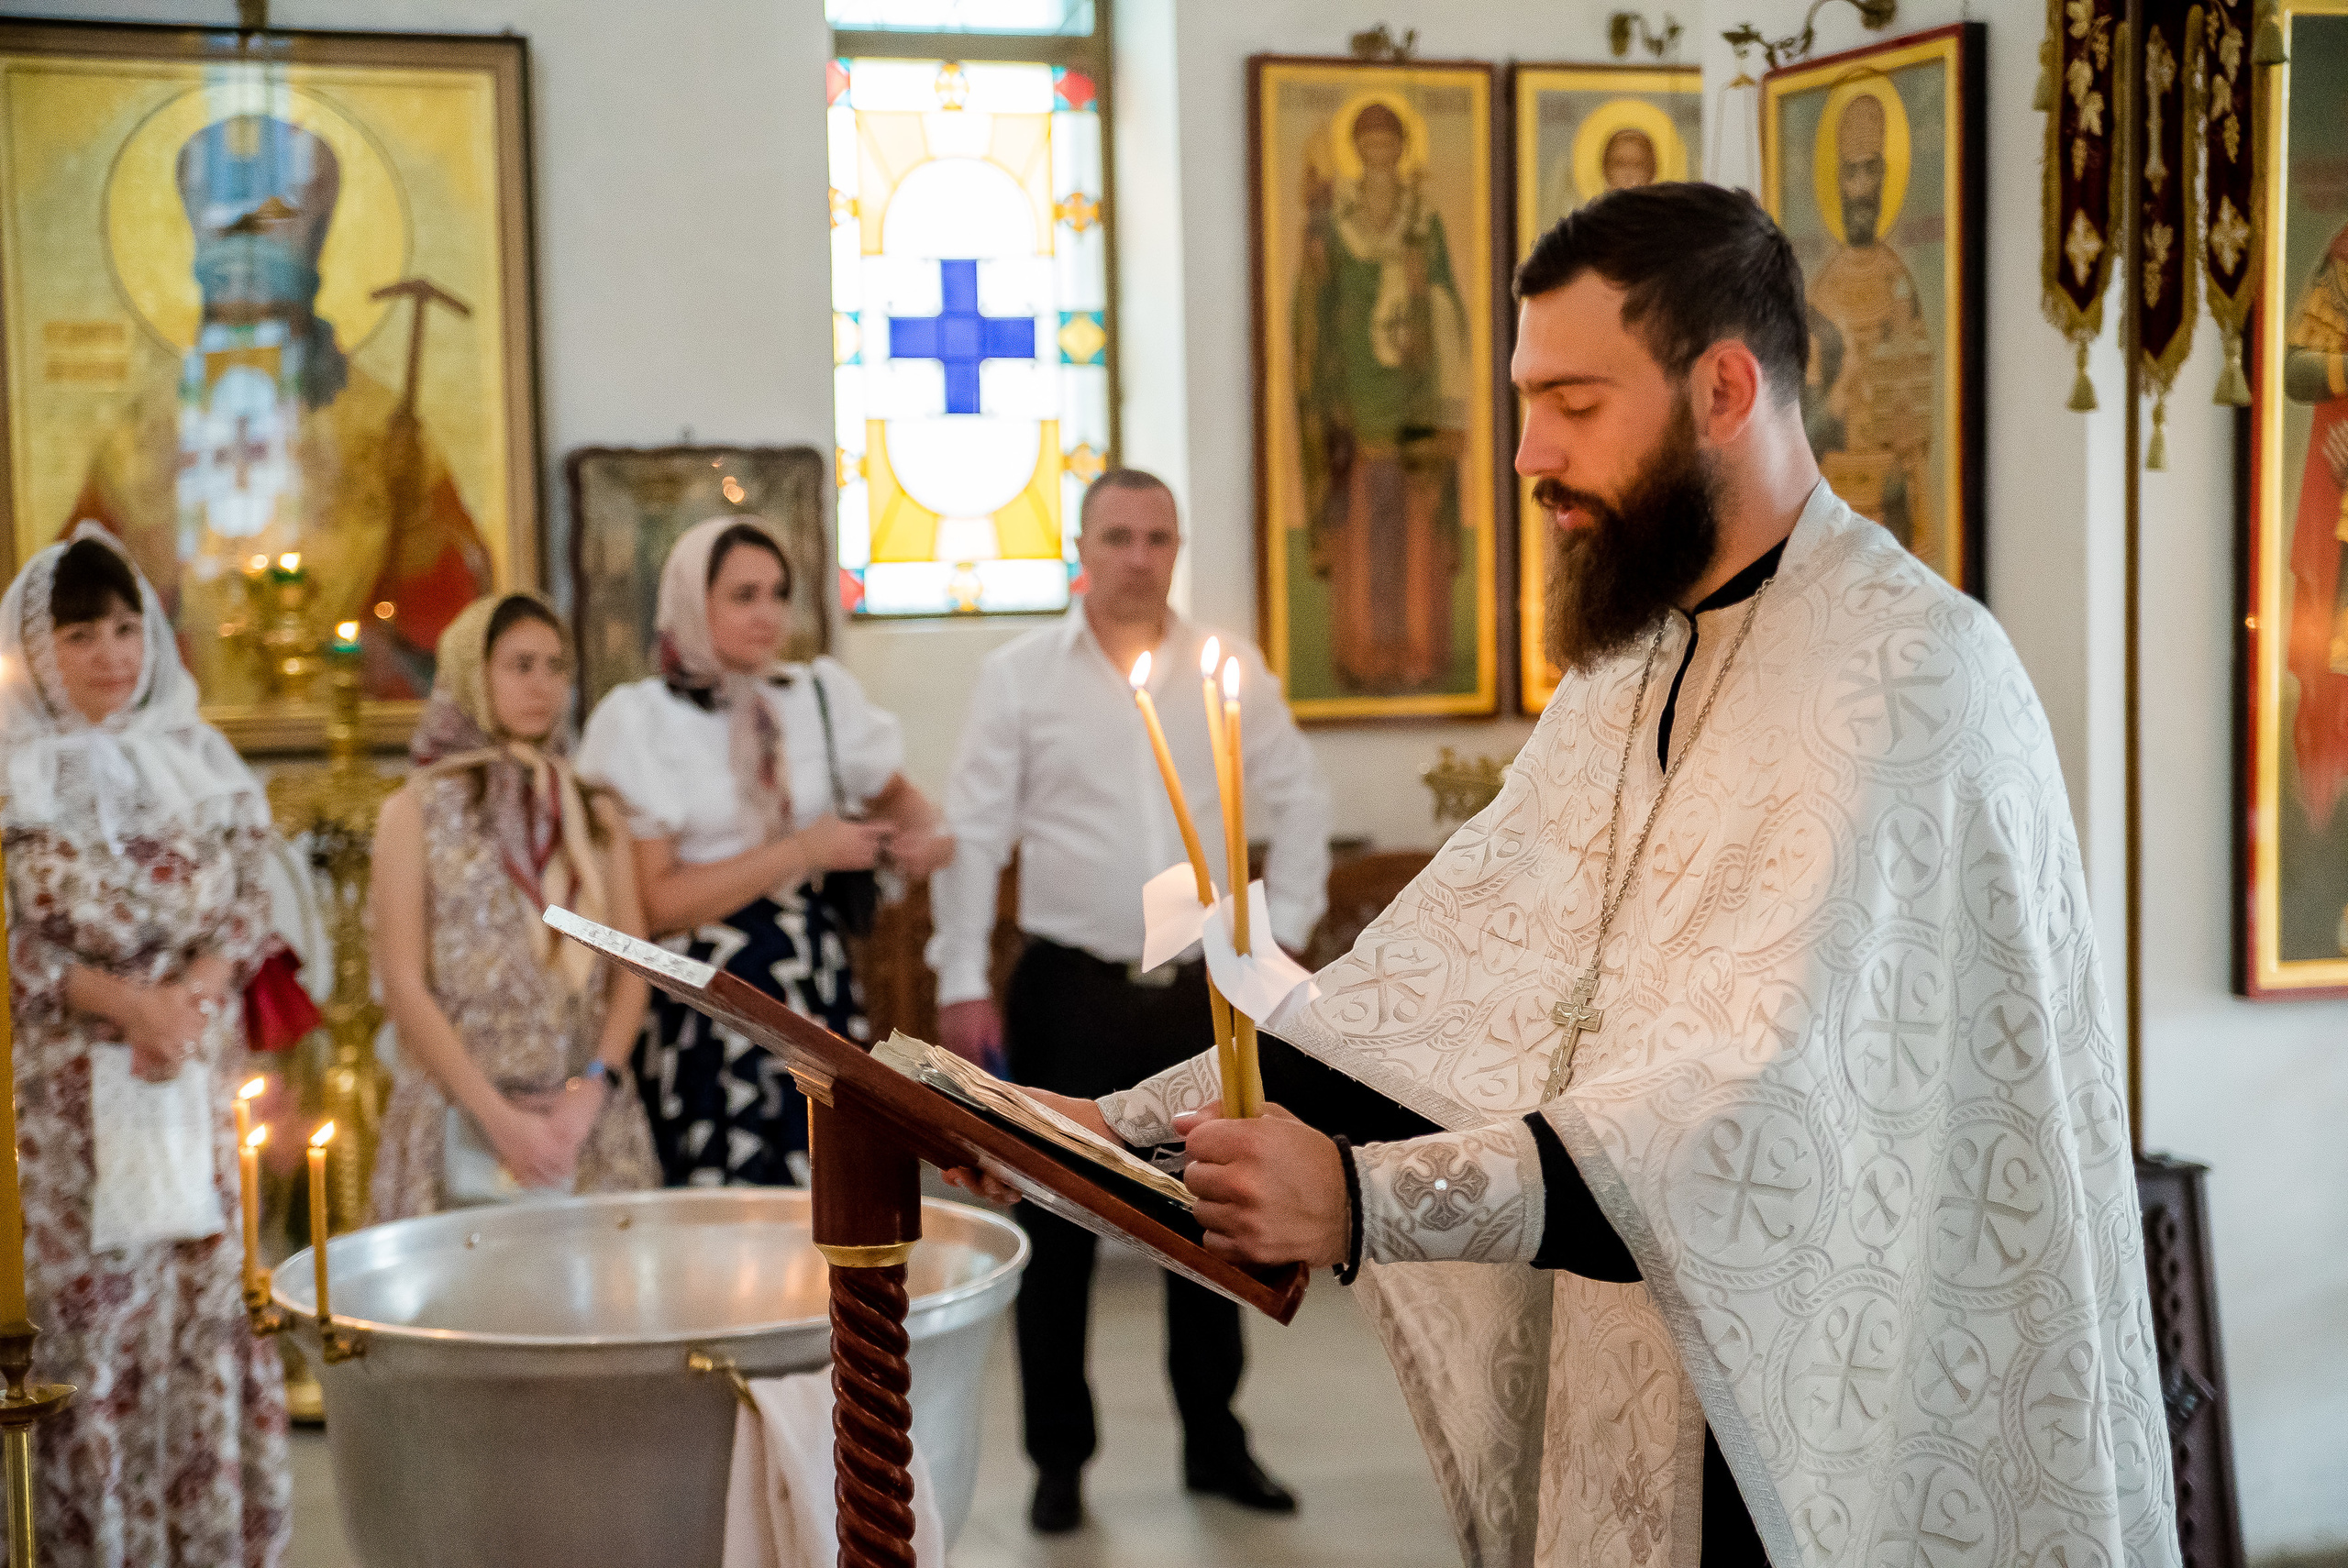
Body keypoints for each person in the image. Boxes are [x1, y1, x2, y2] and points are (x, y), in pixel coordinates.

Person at [952, 186, 2176, 1567]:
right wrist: (1108, 1134)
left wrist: (1357, 1200)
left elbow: (1748, 1130)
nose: (1529, 452)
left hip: (1829, 1423)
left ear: (1723, 391)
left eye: (1573, 403)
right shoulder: (1633, 659)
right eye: (1525, 400)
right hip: (1639, 1351)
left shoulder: (1902, 674)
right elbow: (1441, 988)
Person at [929, 468, 1331, 1533]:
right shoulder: (1020, 677)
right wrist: (959, 975)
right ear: (1082, 547)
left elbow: (1298, 798)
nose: (1139, 558)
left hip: (1202, 991)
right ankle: (1059, 1460)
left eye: (1158, 538)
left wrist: (1277, 934)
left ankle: (1215, 1441)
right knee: (1056, 1223)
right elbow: (975, 831)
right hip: (1070, 985)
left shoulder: (1226, 668)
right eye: (1118, 536)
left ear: (1176, 549)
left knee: (1213, 1213)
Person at [0, 527, 290, 1565]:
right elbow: (8, 939)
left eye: (127, 628)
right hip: (62, 1106)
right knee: (89, 1332)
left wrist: (190, 998)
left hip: (193, 1082)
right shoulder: (10, 773)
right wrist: (125, 1004)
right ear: (35, 648)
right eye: (81, 634)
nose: (112, 654)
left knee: (203, 1313)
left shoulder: (196, 757)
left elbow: (256, 899)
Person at [578, 516, 950, 1187]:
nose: (768, 614)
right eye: (743, 596)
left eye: (779, 594)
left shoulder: (817, 697)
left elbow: (908, 803)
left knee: (825, 1183)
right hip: (707, 986)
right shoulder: (642, 718)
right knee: (727, 1189)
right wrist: (803, 850)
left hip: (811, 973)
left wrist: (921, 840)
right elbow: (656, 905)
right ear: (692, 602)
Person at [69, 113, 490, 701]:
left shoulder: (378, 425)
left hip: (344, 714)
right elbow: (72, 603)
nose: (245, 289)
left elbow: (455, 617)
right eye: (227, 265)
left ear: (312, 257)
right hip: (182, 722)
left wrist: (397, 629)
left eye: (268, 251)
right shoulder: (142, 431)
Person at [370, 592, 660, 1219]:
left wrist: (592, 1091)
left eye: (556, 667)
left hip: (583, 1120)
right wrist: (498, 1120)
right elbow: (403, 983)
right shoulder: (415, 811)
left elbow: (634, 964)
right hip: (458, 1112)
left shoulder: (594, 811)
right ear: (471, 674)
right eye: (520, 665)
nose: (542, 685)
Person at [1296, 98, 1472, 693]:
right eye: (1368, 142)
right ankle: (1365, 654)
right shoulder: (1333, 220)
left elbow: (1447, 296)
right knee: (1363, 521)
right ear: (1355, 149)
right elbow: (1315, 304)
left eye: (1387, 141)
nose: (1378, 151)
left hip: (1414, 390)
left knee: (1415, 521)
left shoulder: (1422, 218)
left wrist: (1424, 291)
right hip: (1354, 389)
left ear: (1400, 149)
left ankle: (1419, 653)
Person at [1802, 89, 1937, 556]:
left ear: (1885, 177)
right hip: (1832, 486)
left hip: (1889, 488)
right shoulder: (1820, 290)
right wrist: (1840, 393)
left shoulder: (1898, 282)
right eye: (1850, 172)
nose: (1860, 188)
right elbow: (1803, 416)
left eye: (1871, 170)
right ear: (1836, 181)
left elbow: (1918, 397)